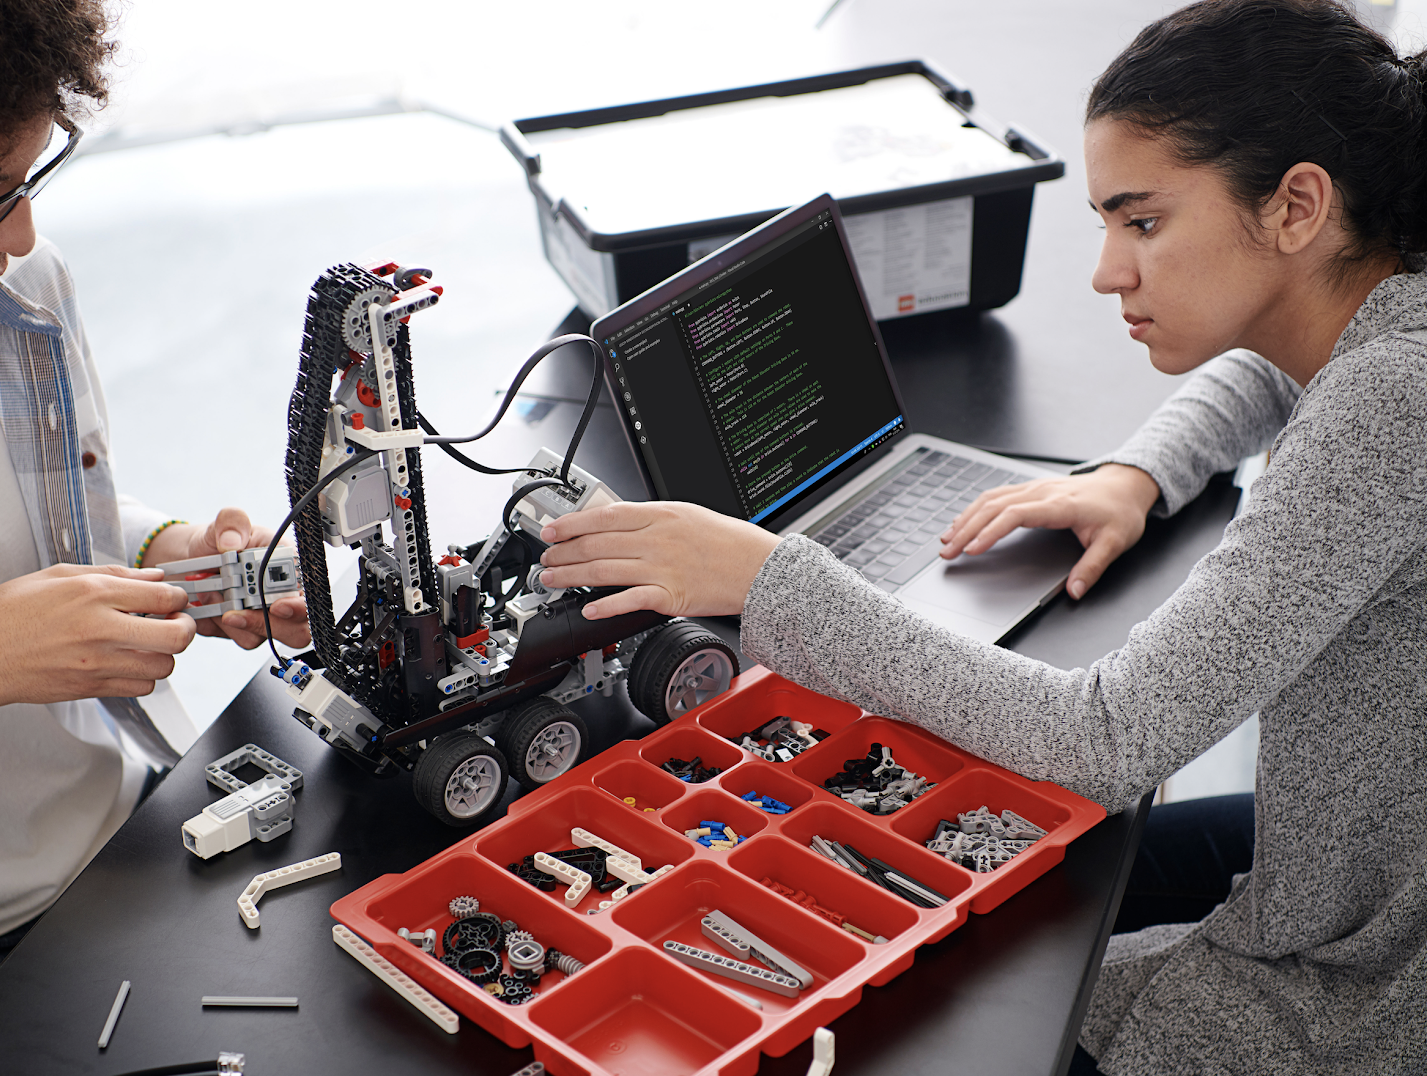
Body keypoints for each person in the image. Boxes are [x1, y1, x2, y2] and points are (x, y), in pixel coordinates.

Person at [536, 1, 1427, 1072]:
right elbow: (1264, 363)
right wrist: (1136, 472)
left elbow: (1104, 740)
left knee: (954, 1023)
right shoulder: (1379, 300)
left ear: (1295, 206)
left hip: (1366, 979)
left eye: (1141, 223)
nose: (1106, 271)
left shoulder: (1389, 401)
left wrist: (767, 577)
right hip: (1346, 868)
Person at [0, 3, 309, 1072]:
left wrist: (170, 557)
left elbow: (6, 533)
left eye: (28, 180)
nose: (17, 239)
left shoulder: (16, 301)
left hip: (135, 832)